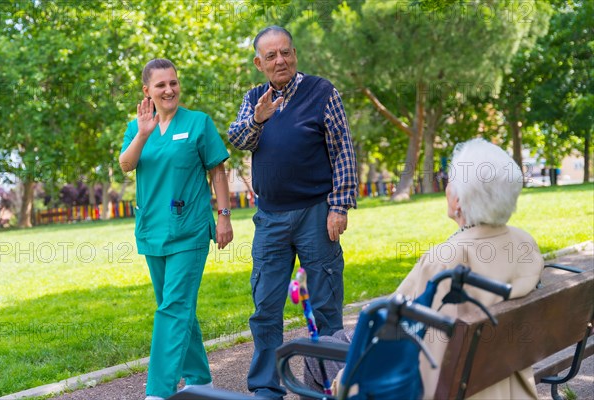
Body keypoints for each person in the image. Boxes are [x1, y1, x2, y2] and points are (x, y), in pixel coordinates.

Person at [304, 138, 544, 399]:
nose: (446, 187)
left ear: (460, 201)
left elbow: (391, 335)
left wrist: (343, 382)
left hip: (430, 383)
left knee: (314, 350)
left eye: (451, 180)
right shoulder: (524, 243)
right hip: (499, 378)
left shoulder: (447, 259)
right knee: (340, 337)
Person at [227, 26, 358, 399]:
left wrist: (339, 205)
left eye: (285, 53)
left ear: (295, 54)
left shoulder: (322, 91)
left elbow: (343, 150)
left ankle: (333, 383)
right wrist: (258, 118)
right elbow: (237, 138)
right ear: (259, 63)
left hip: (317, 213)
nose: (280, 60)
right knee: (265, 306)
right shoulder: (255, 98)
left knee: (325, 303)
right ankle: (267, 386)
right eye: (271, 56)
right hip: (270, 218)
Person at [119, 58, 233, 400]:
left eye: (173, 82)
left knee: (172, 308)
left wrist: (224, 215)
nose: (169, 90)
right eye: (160, 85)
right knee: (176, 306)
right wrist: (142, 134)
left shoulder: (199, 123)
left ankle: (158, 390)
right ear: (147, 91)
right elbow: (126, 164)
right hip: (152, 229)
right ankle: (199, 379)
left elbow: (217, 172)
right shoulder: (136, 127)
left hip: (191, 230)